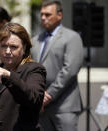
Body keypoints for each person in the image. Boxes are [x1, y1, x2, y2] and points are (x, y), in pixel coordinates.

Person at [31, 0, 84, 131]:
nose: (43, 18)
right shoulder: (35, 40)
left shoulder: (72, 37)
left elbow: (70, 70)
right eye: (42, 14)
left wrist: (48, 95)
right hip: (41, 108)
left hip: (64, 107)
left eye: (47, 14)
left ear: (59, 15)